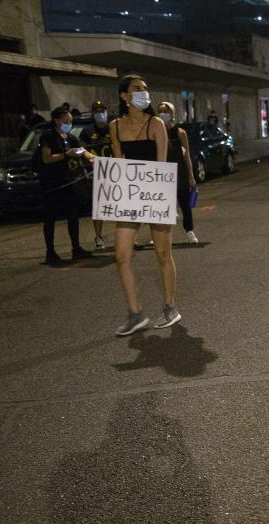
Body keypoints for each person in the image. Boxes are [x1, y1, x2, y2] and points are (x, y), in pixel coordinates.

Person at [110, 74, 180, 336]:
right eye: (136, 89)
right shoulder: (115, 126)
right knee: (121, 255)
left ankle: (170, 307)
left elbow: (161, 165)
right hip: (130, 195)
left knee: (162, 254)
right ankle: (135, 313)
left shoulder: (156, 124)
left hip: (155, 194)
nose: (143, 93)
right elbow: (119, 164)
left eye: (145, 89)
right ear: (124, 96)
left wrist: (166, 199)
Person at [38, 106, 94, 265]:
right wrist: (65, 155)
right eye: (66, 121)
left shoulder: (69, 137)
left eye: (70, 121)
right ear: (56, 120)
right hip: (51, 184)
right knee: (50, 218)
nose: (69, 123)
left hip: (67, 182)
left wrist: (94, 159)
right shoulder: (48, 136)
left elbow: (83, 151)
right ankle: (50, 252)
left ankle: (76, 248)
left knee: (72, 215)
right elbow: (46, 158)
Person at [158, 101, 199, 244]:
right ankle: (158, 235)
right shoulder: (156, 132)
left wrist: (191, 176)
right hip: (163, 176)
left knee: (185, 205)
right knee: (162, 206)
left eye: (166, 111)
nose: (163, 113)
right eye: (161, 111)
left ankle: (189, 231)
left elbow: (186, 155)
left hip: (179, 174)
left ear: (172, 113)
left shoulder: (180, 133)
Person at [82, 100, 113, 249]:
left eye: (103, 110)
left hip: (114, 173)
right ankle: (98, 237)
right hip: (97, 175)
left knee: (120, 206)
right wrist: (90, 159)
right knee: (99, 207)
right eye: (97, 111)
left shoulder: (113, 128)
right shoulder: (87, 132)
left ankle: (126, 237)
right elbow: (81, 150)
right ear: (93, 114)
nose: (100, 114)